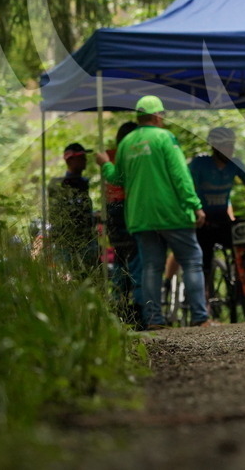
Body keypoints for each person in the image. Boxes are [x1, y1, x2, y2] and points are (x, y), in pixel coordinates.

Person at [94, 96, 213, 329]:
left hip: (141, 216)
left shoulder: (127, 143)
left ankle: (154, 320)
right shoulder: (165, 138)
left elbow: (117, 178)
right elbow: (180, 176)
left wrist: (105, 164)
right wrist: (195, 205)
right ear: (158, 116)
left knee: (151, 267)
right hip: (172, 214)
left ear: (139, 117)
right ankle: (200, 317)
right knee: (191, 261)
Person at [188, 126, 245, 297]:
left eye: (232, 145)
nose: (230, 150)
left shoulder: (235, 164)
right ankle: (205, 301)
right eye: (226, 146)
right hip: (203, 219)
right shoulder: (200, 165)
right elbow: (186, 189)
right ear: (215, 148)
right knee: (204, 260)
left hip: (223, 217)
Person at [105, 120, 143, 328]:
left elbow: (107, 189)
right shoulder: (134, 156)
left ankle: (119, 311)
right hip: (131, 208)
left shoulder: (110, 157)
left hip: (113, 212)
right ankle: (141, 312)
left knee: (120, 260)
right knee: (138, 261)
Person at [47, 142, 100, 277]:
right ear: (70, 159)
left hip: (86, 240)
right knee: (69, 278)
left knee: (91, 278)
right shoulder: (57, 185)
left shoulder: (84, 183)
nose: (85, 160)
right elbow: (55, 214)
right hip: (66, 243)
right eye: (81, 157)